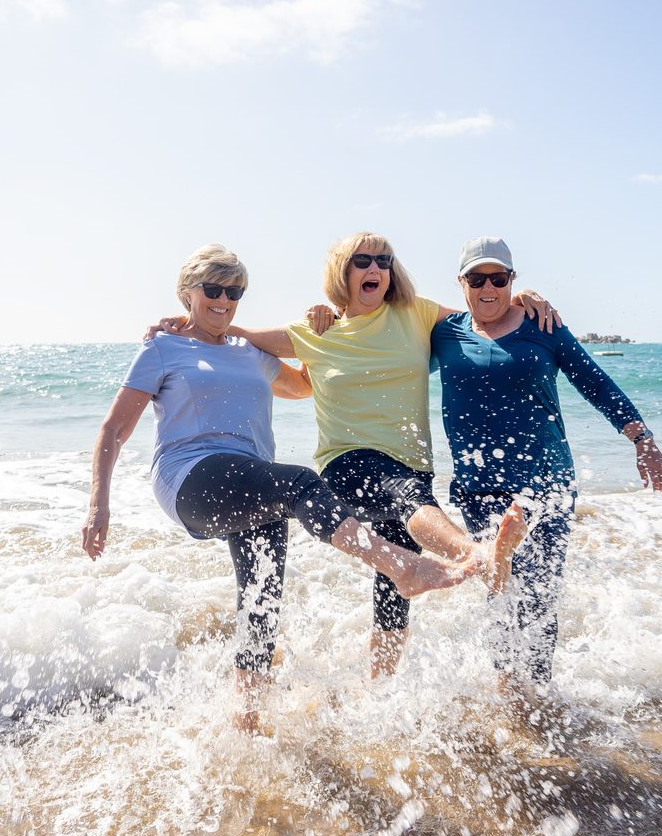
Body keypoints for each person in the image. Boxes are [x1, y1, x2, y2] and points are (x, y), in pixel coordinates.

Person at [81, 244, 479, 733]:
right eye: (213, 290)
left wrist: (324, 326)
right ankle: (403, 566)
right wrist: (99, 505)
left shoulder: (248, 351)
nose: (224, 300)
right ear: (188, 293)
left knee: (262, 596)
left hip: (252, 482)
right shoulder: (163, 347)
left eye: (235, 291)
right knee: (299, 483)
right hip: (190, 476)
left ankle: (246, 721)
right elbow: (112, 431)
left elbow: (304, 386)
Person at [155, 233, 548, 677]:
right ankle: (476, 557)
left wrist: (521, 299)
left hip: (410, 461)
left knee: (395, 583)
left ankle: (378, 687)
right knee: (406, 499)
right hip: (348, 463)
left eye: (384, 260)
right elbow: (234, 334)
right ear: (343, 270)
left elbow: (486, 318)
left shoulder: (416, 313)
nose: (375, 268)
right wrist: (188, 321)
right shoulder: (315, 331)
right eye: (362, 260)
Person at [430, 236, 662, 693]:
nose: (488, 288)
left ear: (511, 280)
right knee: (498, 587)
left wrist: (642, 438)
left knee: (538, 592)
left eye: (498, 279)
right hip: (479, 485)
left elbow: (594, 382)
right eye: (477, 279)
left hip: (546, 480)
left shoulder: (544, 326)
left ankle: (536, 692)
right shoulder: (445, 332)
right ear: (461, 283)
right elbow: (386, 344)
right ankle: (506, 687)